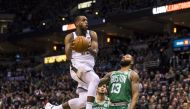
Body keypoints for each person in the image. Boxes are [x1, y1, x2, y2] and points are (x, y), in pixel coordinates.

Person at [45, 15, 100, 109]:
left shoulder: (92, 34)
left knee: (82, 101)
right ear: (77, 23)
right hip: (77, 67)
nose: (87, 22)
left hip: (89, 68)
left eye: (87, 20)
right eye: (83, 20)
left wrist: (87, 47)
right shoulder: (70, 37)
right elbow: (68, 57)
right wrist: (73, 45)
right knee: (95, 79)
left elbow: (95, 53)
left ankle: (53, 108)